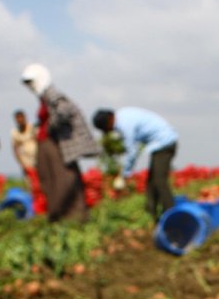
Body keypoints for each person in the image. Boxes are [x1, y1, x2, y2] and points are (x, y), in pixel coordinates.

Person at [21, 63, 100, 223]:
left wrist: (50, 127)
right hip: (47, 144)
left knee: (63, 179)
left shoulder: (52, 93)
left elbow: (64, 111)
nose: (30, 86)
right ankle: (59, 215)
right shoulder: (44, 97)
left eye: (31, 82)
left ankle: (73, 216)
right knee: (50, 180)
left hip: (54, 145)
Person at [92, 107, 179, 221]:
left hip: (164, 142)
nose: (110, 131)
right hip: (161, 143)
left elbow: (132, 151)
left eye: (107, 128)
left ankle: (172, 215)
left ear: (109, 120)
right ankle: (151, 214)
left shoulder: (125, 124)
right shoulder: (122, 116)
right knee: (152, 181)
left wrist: (125, 174)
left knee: (159, 180)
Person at [11, 109, 43, 211]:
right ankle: (35, 208)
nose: (20, 120)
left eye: (21, 117)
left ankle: (43, 207)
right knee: (31, 186)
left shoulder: (32, 129)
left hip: (37, 161)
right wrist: (21, 164)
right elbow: (15, 149)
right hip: (26, 163)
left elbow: (39, 141)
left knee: (41, 185)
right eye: (18, 118)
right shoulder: (15, 133)